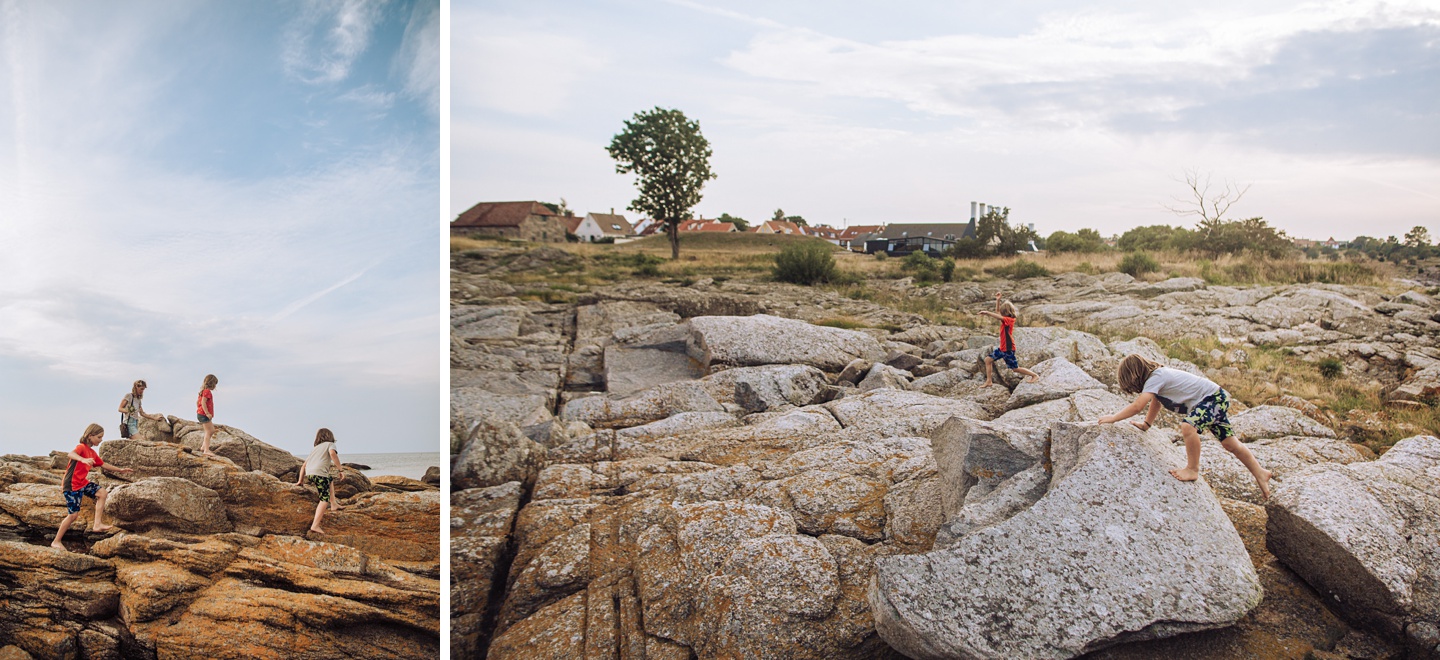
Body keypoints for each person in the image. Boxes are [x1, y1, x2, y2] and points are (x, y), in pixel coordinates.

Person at [1099, 354, 1272, 498]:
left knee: (1188, 427)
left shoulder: (1156, 376)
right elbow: (1156, 403)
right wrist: (1146, 424)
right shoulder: (1159, 378)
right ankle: (1260, 473)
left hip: (1212, 399)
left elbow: (1138, 405)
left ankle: (1192, 469)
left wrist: (1113, 418)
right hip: (1215, 398)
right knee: (1230, 444)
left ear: (1135, 375)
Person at [52, 423, 133, 550]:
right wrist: (82, 460)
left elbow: (103, 464)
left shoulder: (92, 453)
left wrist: (120, 470)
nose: (101, 440)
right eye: (99, 437)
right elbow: (71, 454)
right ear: (90, 436)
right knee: (73, 515)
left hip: (82, 482)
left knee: (102, 493)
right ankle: (56, 541)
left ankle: (97, 524)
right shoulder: (81, 448)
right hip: (72, 484)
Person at [978, 291, 1040, 387]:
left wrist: (987, 313)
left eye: (1003, 312)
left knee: (1015, 368)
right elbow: (998, 313)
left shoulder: (1010, 320)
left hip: (1008, 349)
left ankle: (1034, 375)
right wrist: (998, 301)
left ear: (1006, 312)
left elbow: (998, 316)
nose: (1001, 314)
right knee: (987, 360)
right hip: (1003, 348)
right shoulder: (1005, 319)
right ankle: (989, 381)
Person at [296, 428, 346, 535]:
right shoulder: (330, 444)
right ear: (330, 437)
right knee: (324, 499)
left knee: (330, 479)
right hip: (319, 474)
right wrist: (340, 470)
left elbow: (304, 466)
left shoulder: (315, 449)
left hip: (310, 474)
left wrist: (300, 481)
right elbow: (333, 454)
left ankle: (334, 504)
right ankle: (315, 525)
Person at [197, 374, 218, 456]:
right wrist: (207, 413)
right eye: (215, 384)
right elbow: (203, 402)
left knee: (212, 430)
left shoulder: (203, 391)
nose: (215, 386)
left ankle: (203, 447)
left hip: (201, 414)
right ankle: (206, 450)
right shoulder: (207, 392)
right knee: (209, 431)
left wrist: (199, 410)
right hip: (204, 415)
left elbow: (197, 402)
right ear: (212, 383)